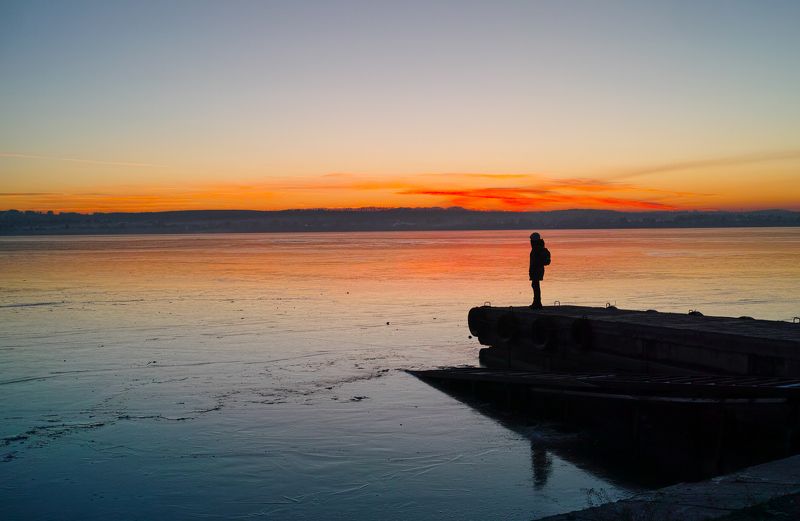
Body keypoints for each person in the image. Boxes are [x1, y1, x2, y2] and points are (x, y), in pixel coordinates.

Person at [528, 232, 550, 308]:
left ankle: (537, 303)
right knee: (535, 285)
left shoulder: (537, 248)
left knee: (535, 285)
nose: (530, 241)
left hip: (536, 269)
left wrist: (534, 267)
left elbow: (536, 260)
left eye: (531, 240)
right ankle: (536, 302)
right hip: (537, 269)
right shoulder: (538, 247)